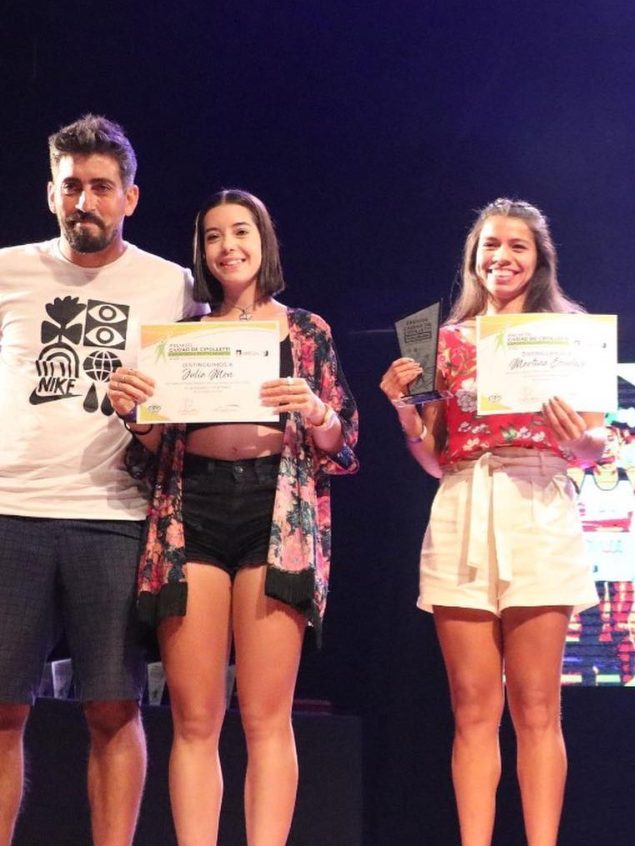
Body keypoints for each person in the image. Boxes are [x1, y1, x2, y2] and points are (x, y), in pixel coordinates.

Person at [106, 188, 359, 845]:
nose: (228, 247)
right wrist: (136, 415)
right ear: (202, 251)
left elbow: (343, 445)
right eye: (214, 236)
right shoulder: (181, 338)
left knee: (266, 716)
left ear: (264, 241)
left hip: (276, 513)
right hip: (192, 507)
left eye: (240, 232)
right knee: (195, 717)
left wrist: (315, 411)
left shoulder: (307, 331)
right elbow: (156, 448)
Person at [0, 114, 201, 846]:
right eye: (72, 186)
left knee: (113, 709)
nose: (86, 201)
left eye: (102, 188)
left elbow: (202, 392)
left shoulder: (173, 286)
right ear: (51, 193)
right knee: (3, 710)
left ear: (131, 197)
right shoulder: (6, 269)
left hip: (116, 517)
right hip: (10, 511)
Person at [379, 198, 602, 846]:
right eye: (490, 247)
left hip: (538, 501)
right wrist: (404, 412)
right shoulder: (441, 342)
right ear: (473, 261)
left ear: (539, 262)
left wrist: (580, 441)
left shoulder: (569, 334)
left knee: (537, 708)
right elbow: (432, 455)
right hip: (462, 504)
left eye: (516, 247)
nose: (501, 258)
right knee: (474, 709)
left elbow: (594, 447)